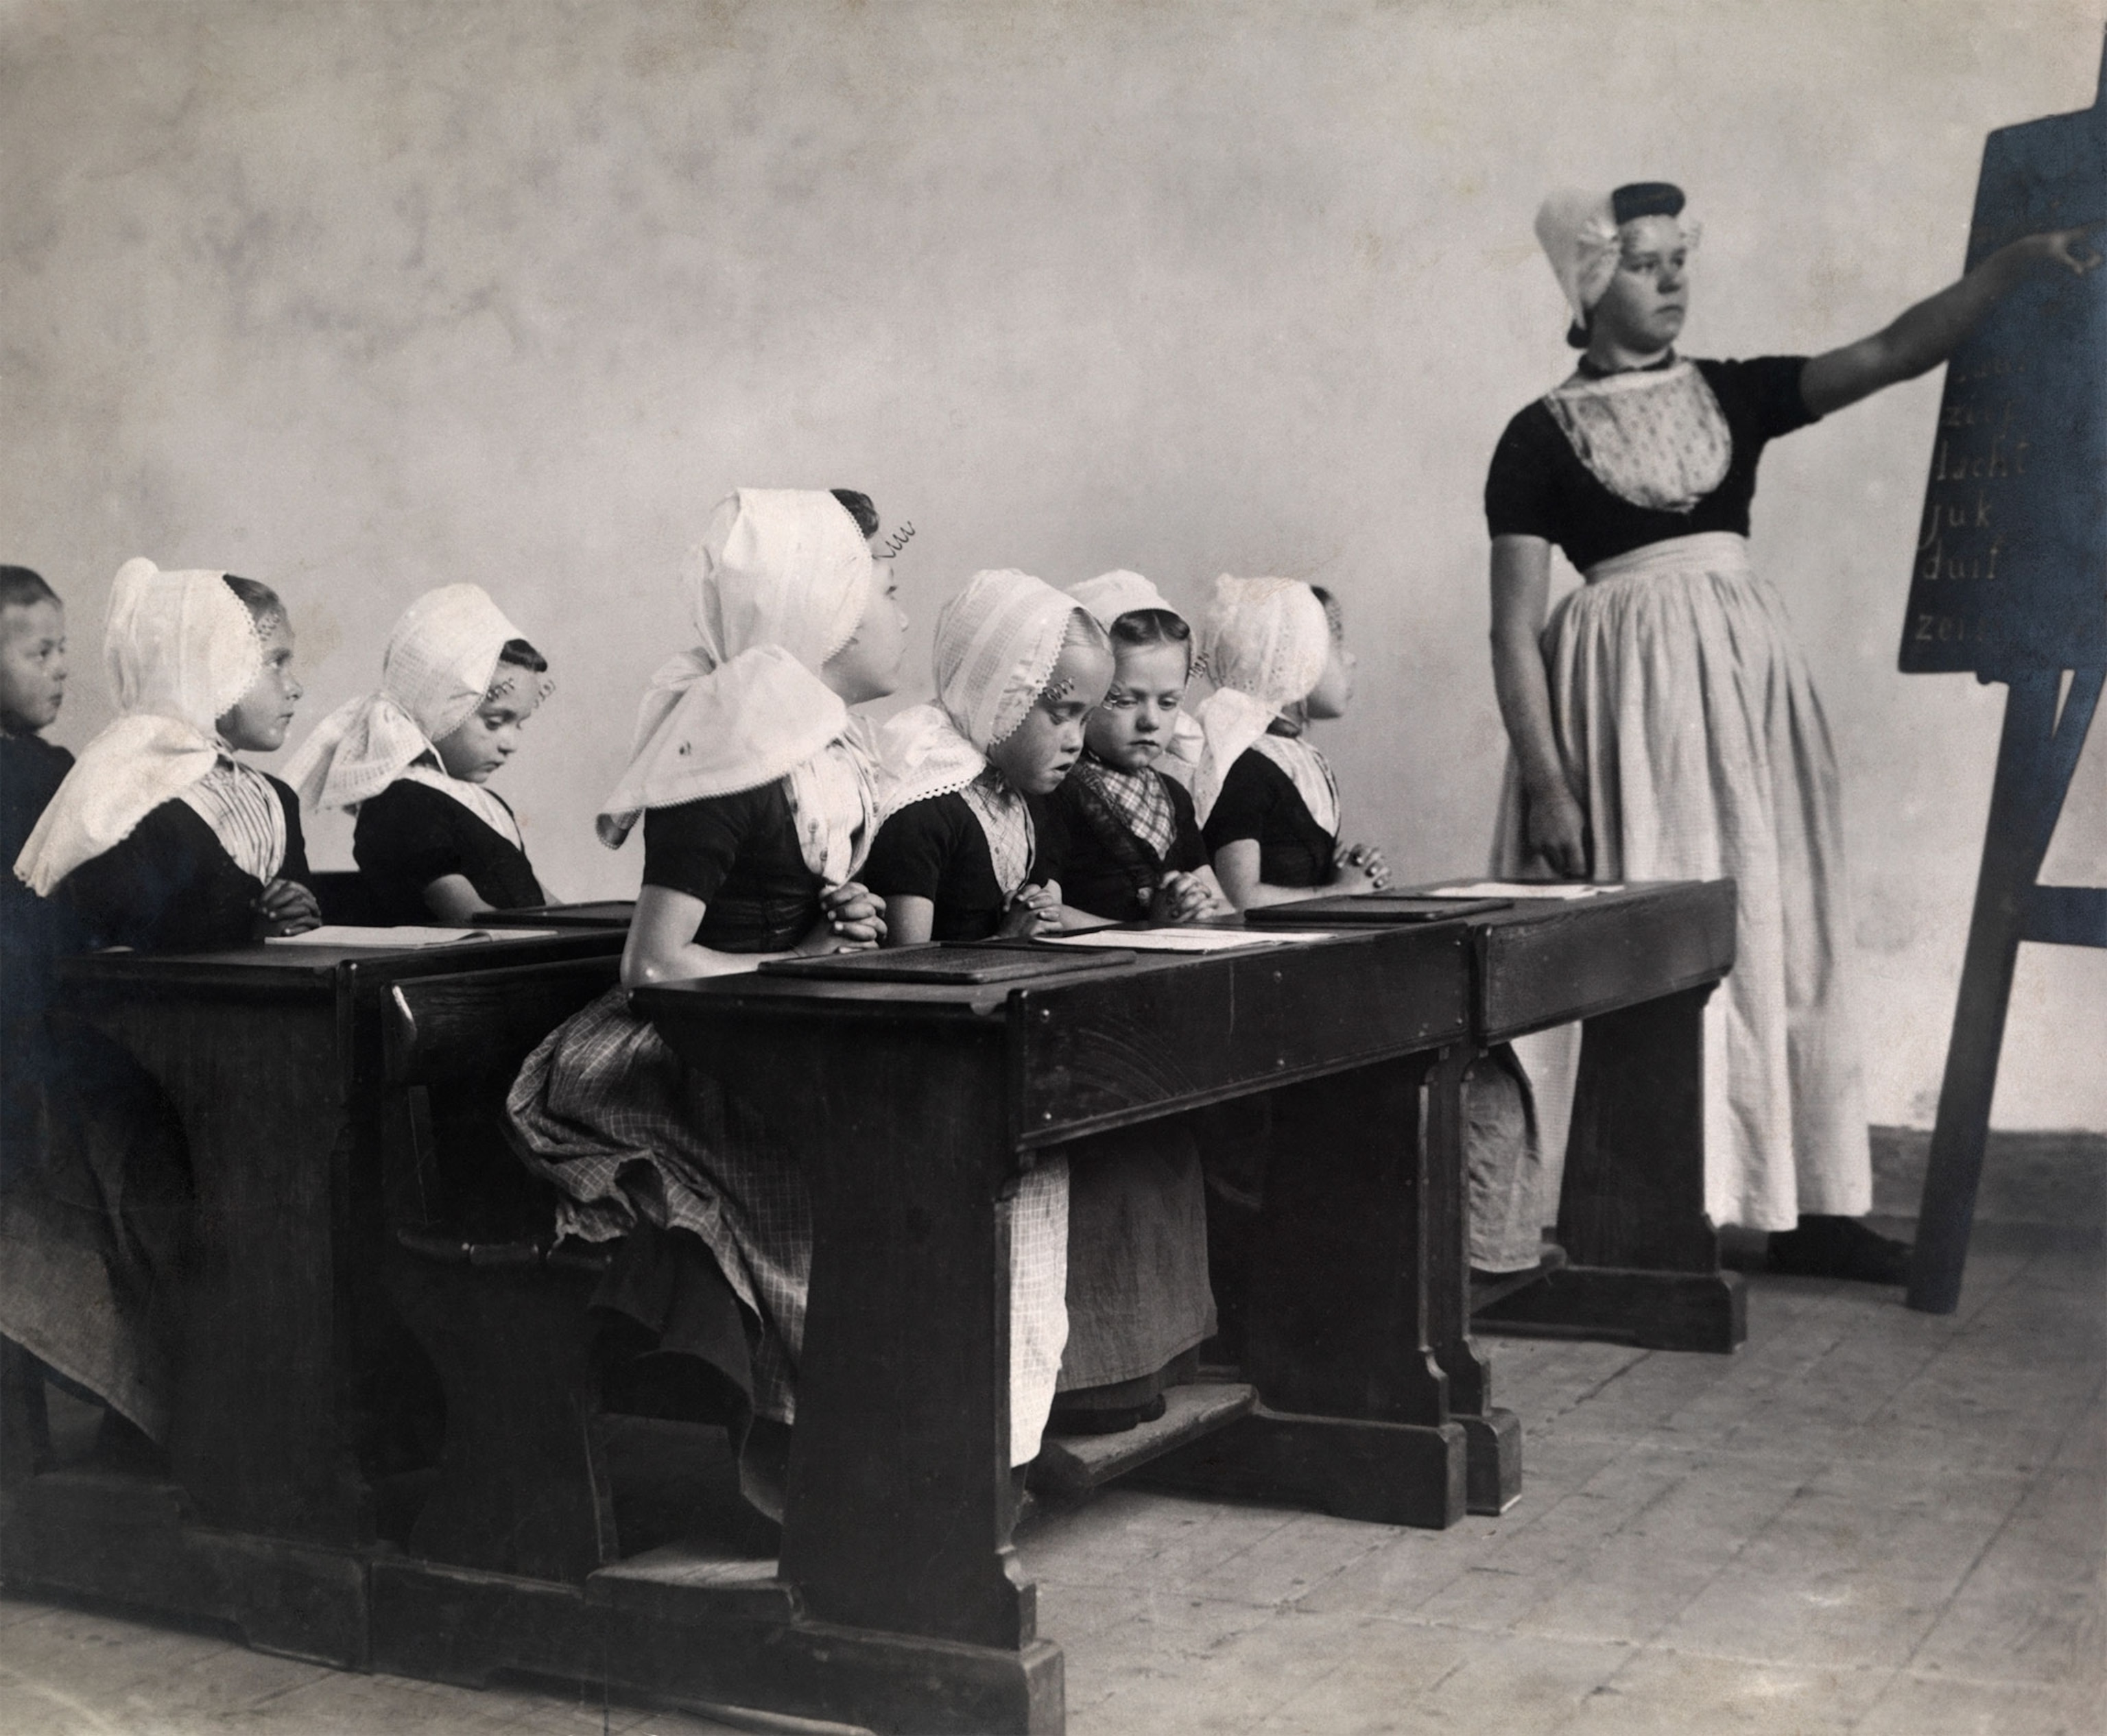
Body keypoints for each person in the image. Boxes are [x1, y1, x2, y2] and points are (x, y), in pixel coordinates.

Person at [1484, 182, 2100, 1281]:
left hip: (1747, 693)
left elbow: (1894, 352)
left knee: (1780, 918)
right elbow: (1511, 630)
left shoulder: (1736, 394)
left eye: (1682, 257)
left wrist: (2005, 272)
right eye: (1644, 262)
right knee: (1646, 942)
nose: (1674, 278)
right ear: (1589, 285)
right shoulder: (1535, 438)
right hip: (1619, 710)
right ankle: (1638, 1207)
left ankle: (1806, 1203)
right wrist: (1549, 781)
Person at [506, 488, 939, 1517]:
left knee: (885, 1164)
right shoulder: (723, 756)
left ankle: (885, 1448)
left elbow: (770, 936)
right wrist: (796, 963)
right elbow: (653, 964)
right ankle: (815, 1467)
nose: (901, 616)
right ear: (821, 615)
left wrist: (829, 934)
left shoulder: (816, 754)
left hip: (750, 1030)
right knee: (810, 1187)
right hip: (651, 1055)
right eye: (884, 591)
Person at [865, 569, 1216, 1434]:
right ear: (999, 695)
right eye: (1061, 712)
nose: (1076, 736)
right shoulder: (926, 811)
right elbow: (916, 967)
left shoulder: (1020, 806)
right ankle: (1041, 1407)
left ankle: (1102, 1381)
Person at [5, 558, 320, 1468]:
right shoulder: (121, 789)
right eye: (272, 661)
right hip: (141, 1074)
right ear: (205, 665)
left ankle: (284, 1412)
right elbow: (128, 918)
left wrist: (291, 912)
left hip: (262, 1054)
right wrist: (242, 919)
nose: (293, 683)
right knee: (192, 1194)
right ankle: (188, 1421)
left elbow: (271, 907)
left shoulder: (268, 794)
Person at [285, 584, 553, 923]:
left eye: (519, 724)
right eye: (496, 722)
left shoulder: (486, 803)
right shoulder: (402, 802)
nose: (510, 742)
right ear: (441, 707)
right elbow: (469, 921)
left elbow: (541, 902)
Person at [1043, 571, 1227, 925]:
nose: (1151, 721)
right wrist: (1150, 928)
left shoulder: (1173, 796)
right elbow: (1047, 913)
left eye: (1169, 703)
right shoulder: (1057, 789)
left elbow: (1223, 905)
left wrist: (1198, 904)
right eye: (1125, 700)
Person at [1193, 575, 1388, 907]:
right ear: (1295, 658)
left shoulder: (1302, 758)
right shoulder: (1244, 765)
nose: (1351, 658)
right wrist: (1340, 892)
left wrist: (1347, 869)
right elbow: (1238, 899)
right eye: (1335, 641)